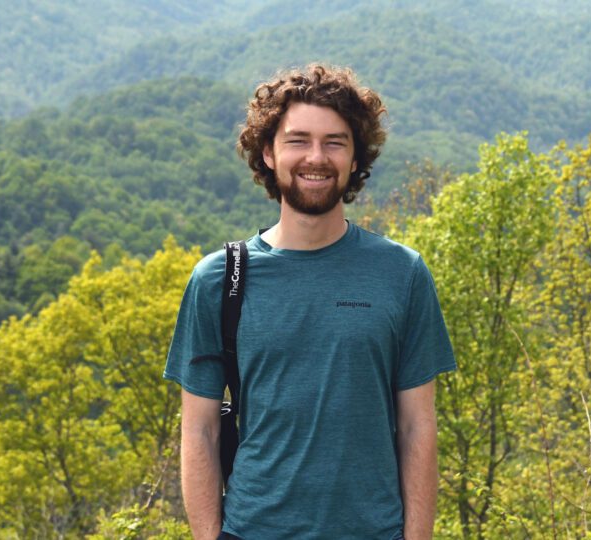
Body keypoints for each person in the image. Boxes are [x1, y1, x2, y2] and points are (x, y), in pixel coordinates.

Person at [164, 64, 456, 540]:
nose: (316, 157)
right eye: (298, 140)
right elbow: (199, 430)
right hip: (253, 529)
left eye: (335, 142)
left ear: (355, 156)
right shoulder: (219, 280)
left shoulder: (401, 274)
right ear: (268, 152)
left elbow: (417, 426)